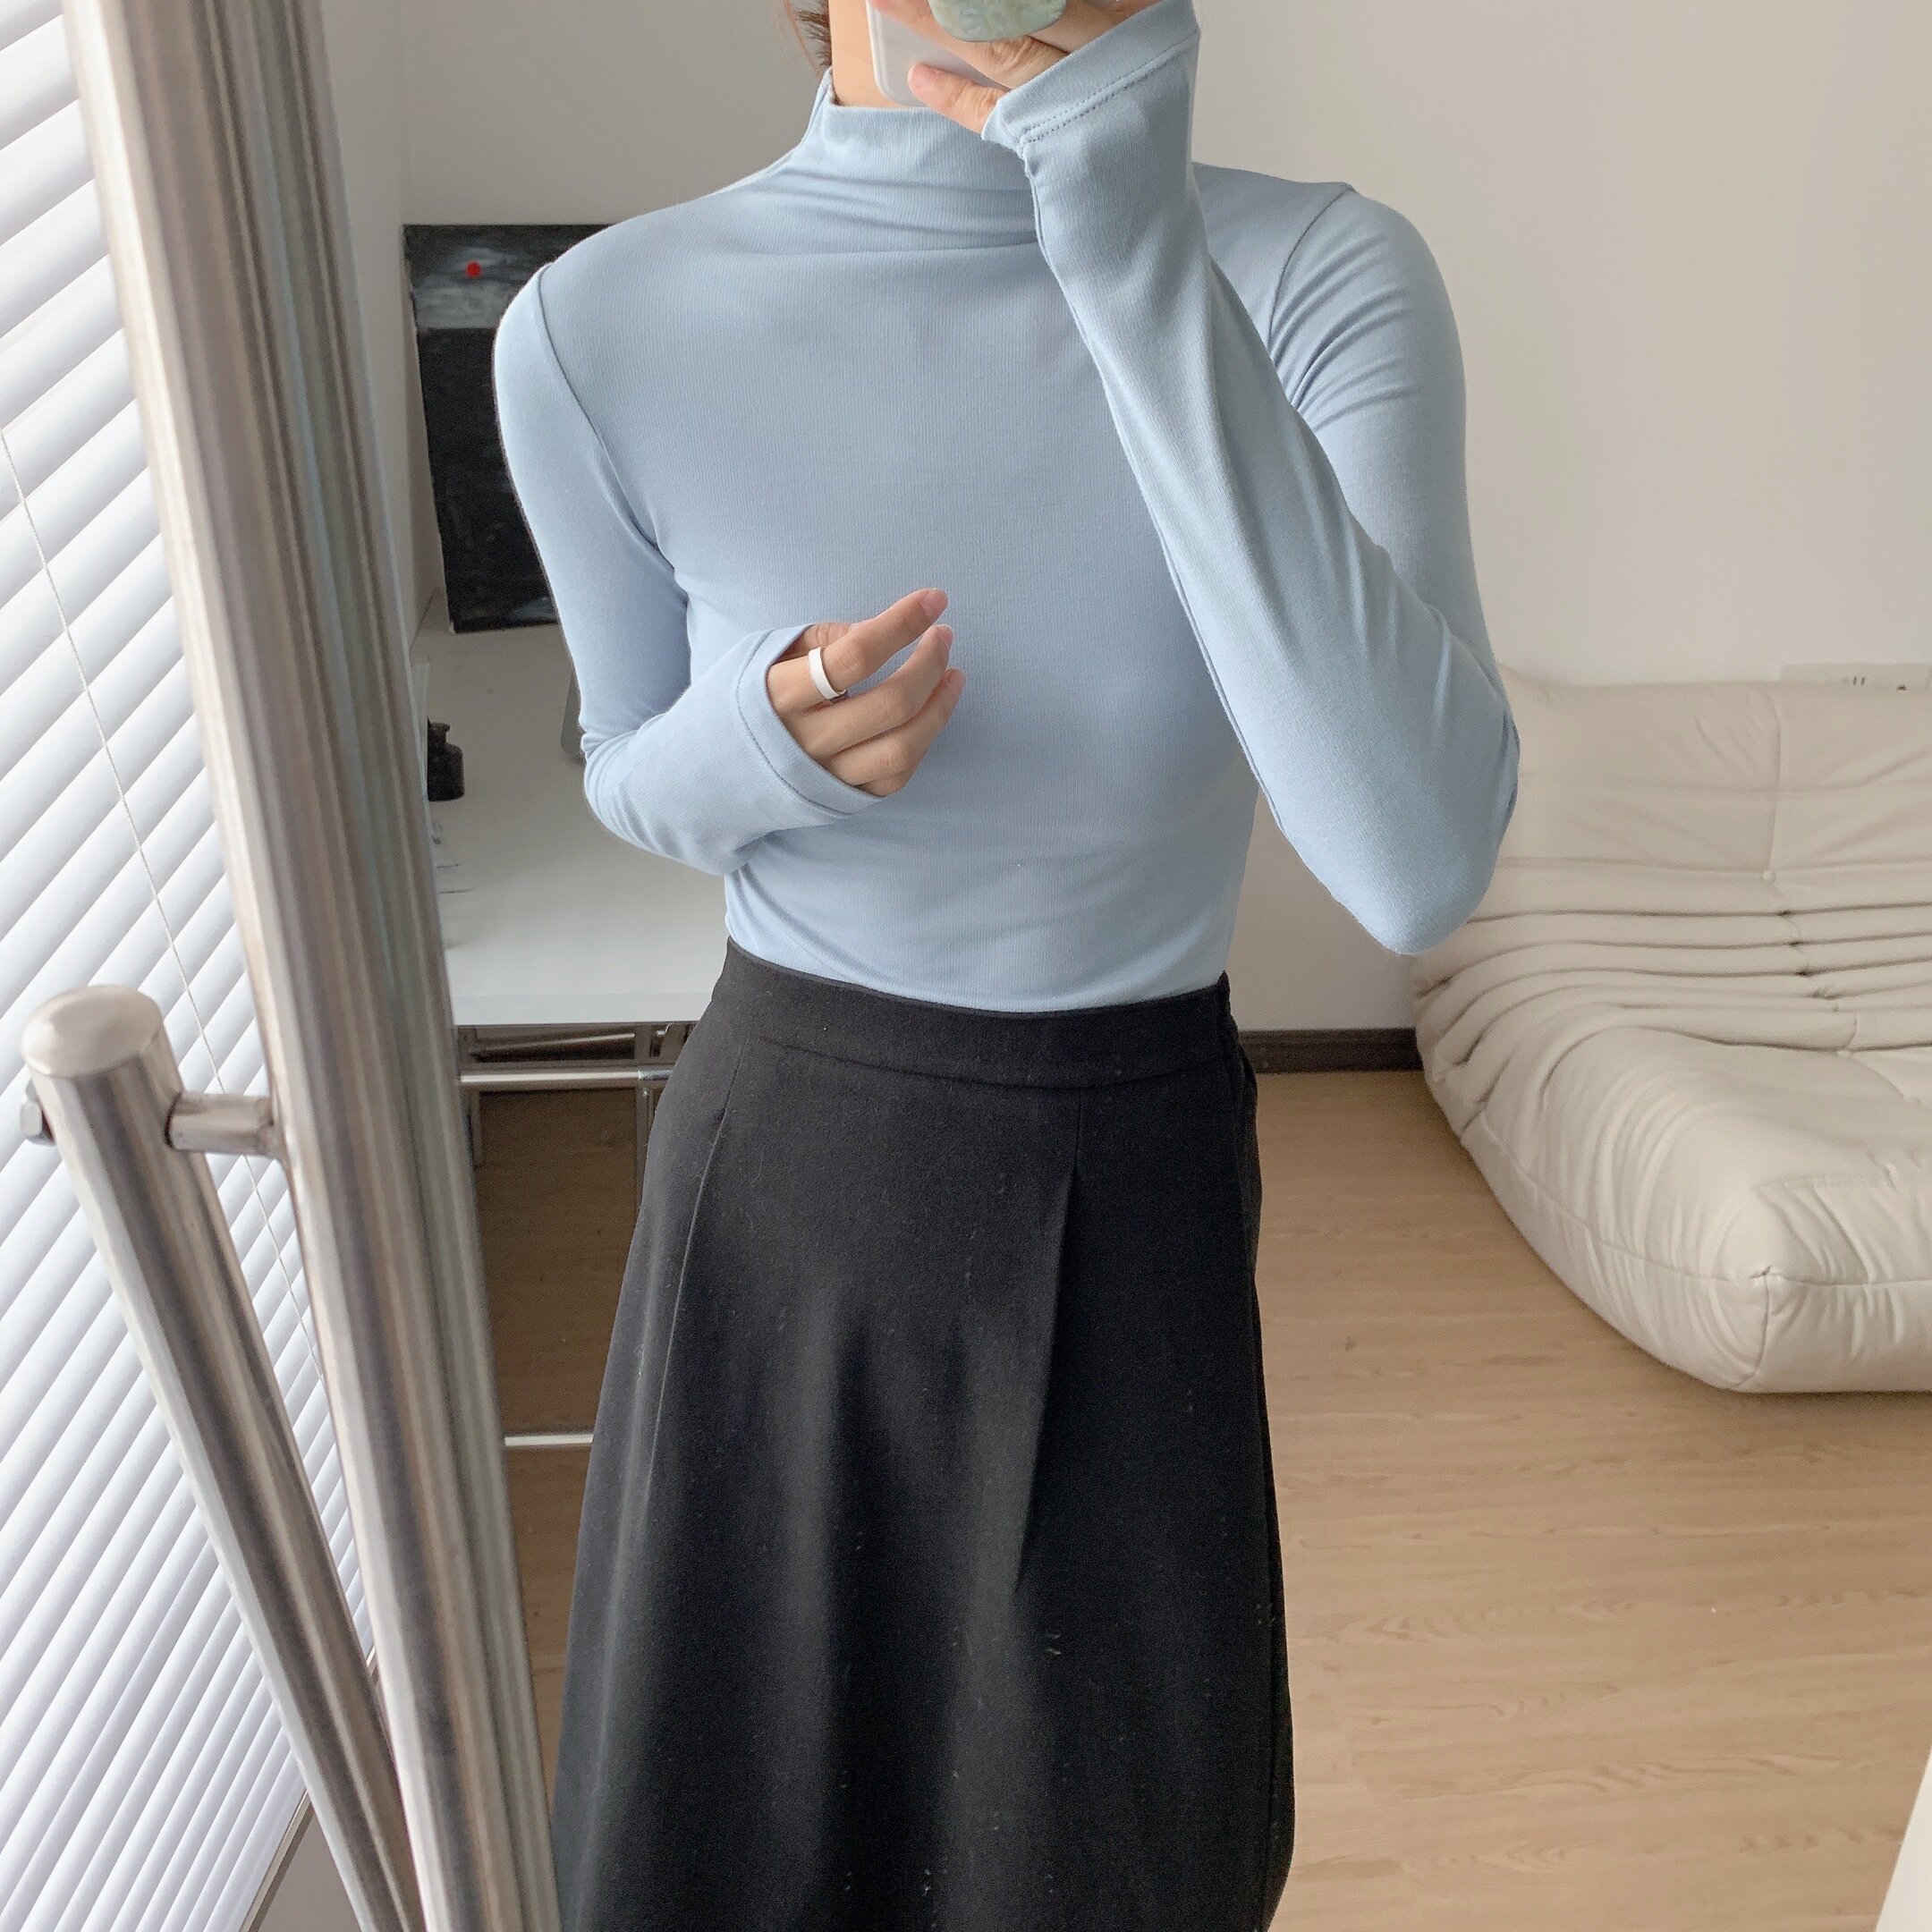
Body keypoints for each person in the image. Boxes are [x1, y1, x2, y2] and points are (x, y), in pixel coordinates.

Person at [491, 0, 1519, 1924]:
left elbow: (1415, 861)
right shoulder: (600, 323)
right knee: (726, 1845)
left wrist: (1129, 248)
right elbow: (623, 765)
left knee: (1112, 1853)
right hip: (785, 1169)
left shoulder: (1313, 275)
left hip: (1125, 1168)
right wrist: (757, 748)